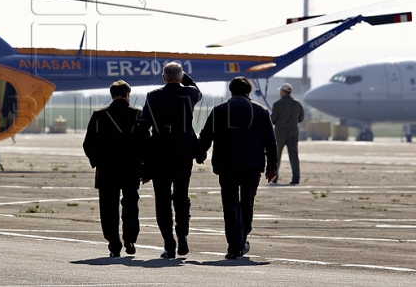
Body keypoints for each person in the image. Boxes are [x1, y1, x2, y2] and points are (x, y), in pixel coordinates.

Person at [196, 76, 277, 259]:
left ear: (230, 91)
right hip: (252, 165)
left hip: (227, 165)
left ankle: (235, 245)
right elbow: (271, 143)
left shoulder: (219, 110)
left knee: (230, 204)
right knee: (247, 203)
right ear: (248, 91)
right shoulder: (261, 111)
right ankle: (241, 238)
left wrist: (200, 154)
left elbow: (206, 135)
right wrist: (272, 166)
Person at [138, 62, 202, 259]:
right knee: (182, 195)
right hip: (183, 152)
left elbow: (143, 126)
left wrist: (146, 153)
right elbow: (197, 90)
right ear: (181, 77)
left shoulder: (154, 96)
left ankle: (169, 243)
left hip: (160, 153)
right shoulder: (189, 94)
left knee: (163, 199)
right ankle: (182, 236)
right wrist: (185, 79)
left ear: (163, 78)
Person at [83, 80, 146, 258]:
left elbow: (88, 144)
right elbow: (145, 144)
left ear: (112, 95)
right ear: (128, 95)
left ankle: (114, 244)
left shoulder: (98, 115)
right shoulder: (138, 114)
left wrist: (97, 161)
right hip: (131, 168)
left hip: (106, 169)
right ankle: (130, 240)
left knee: (108, 208)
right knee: (130, 205)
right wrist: (145, 168)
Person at [271, 83, 305, 185]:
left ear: (283, 92)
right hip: (293, 131)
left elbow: (273, 120)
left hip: (280, 132)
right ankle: (295, 178)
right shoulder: (297, 104)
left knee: (276, 156)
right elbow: (301, 118)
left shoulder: (277, 104)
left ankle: (274, 178)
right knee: (293, 155)